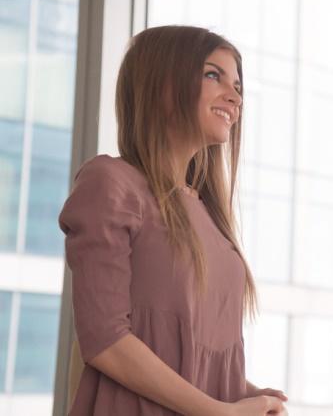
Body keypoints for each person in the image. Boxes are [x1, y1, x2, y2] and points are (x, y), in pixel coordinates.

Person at [59, 26, 287, 415]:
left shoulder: (208, 212)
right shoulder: (111, 183)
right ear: (161, 84)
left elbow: (189, 352)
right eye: (213, 75)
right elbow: (106, 341)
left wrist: (243, 394)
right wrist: (219, 411)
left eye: (238, 85)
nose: (234, 96)